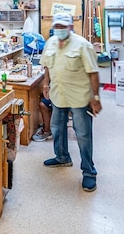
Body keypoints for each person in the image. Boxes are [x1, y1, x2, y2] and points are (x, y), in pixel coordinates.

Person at [40, 12, 102, 192]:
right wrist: (45, 84)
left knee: (83, 135)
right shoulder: (50, 42)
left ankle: (89, 172)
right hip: (58, 94)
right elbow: (47, 65)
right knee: (57, 128)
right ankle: (62, 157)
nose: (59, 29)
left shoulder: (83, 45)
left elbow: (93, 72)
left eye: (62, 26)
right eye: (56, 26)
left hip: (79, 97)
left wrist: (96, 98)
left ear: (70, 27)